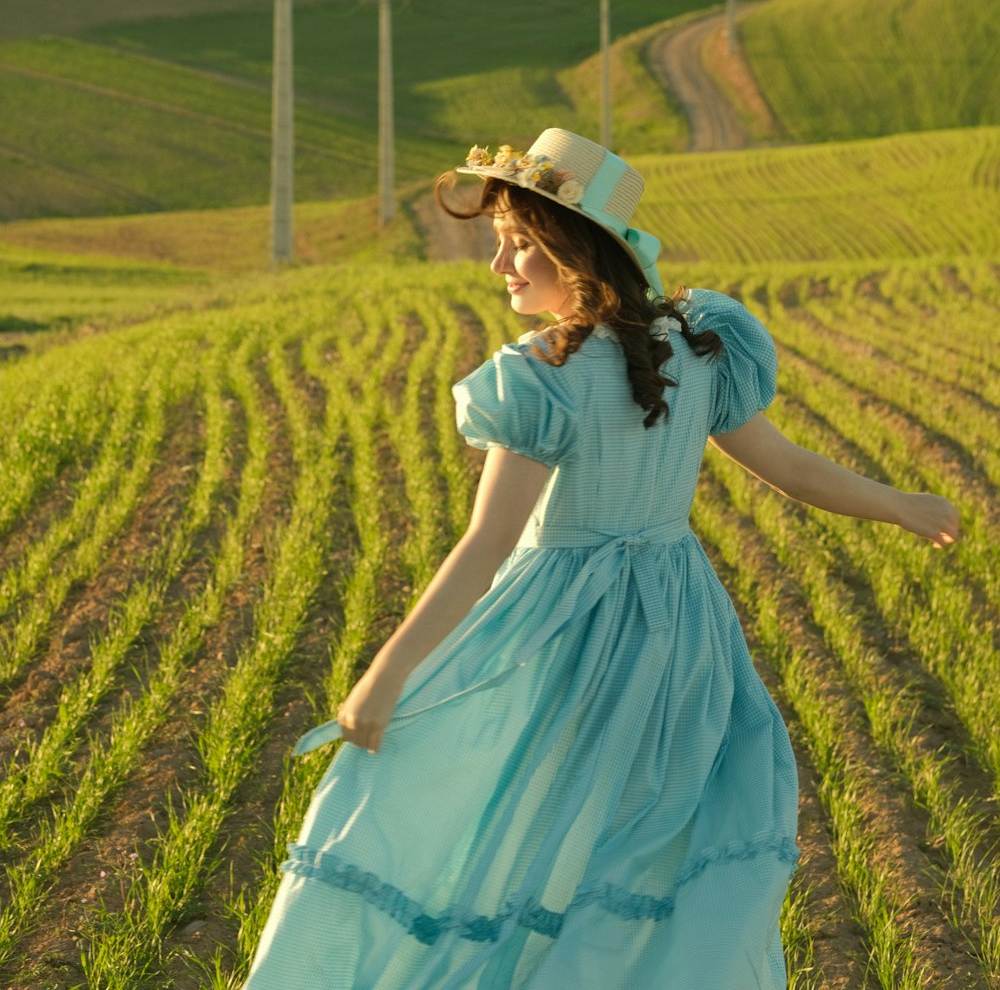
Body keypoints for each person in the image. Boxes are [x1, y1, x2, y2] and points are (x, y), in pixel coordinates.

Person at [244, 128, 960, 989]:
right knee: (631, 841)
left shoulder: (544, 374)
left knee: (514, 827)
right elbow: (792, 470)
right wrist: (900, 503)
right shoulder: (689, 350)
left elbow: (486, 547)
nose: (502, 265)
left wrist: (386, 677)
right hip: (676, 629)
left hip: (565, 630)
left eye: (521, 245)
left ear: (577, 253)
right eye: (501, 244)